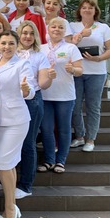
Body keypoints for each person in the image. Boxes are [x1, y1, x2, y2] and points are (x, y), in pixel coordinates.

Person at [0, 30, 35, 218]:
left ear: (16, 45)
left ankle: (11, 209)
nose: (7, 47)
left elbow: (29, 90)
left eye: (11, 43)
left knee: (4, 165)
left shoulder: (22, 64)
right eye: (3, 43)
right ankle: (9, 208)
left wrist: (26, 90)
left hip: (16, 120)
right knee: (8, 164)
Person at [70, 0, 110, 152]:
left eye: (90, 8)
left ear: (95, 11)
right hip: (76, 72)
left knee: (93, 107)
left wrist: (99, 58)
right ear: (79, 10)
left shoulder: (103, 27)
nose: (87, 10)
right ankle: (79, 136)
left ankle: (90, 139)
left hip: (96, 73)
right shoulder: (72, 26)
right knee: (75, 106)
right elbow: (67, 46)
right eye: (84, 7)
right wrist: (81, 35)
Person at [38, 17, 83, 173]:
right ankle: (49, 160)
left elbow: (80, 70)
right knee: (46, 129)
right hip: (45, 94)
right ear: (48, 29)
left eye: (60, 27)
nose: (56, 29)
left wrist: (73, 69)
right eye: (53, 27)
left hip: (65, 95)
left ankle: (61, 161)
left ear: (65, 31)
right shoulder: (41, 48)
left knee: (64, 129)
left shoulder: (71, 48)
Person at [14, 21, 53, 199]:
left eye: (31, 33)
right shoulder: (12, 52)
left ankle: (25, 185)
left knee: (27, 143)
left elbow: (43, 83)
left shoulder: (39, 56)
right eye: (24, 33)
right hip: (12, 100)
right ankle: (6, 178)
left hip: (32, 101)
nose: (27, 36)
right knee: (9, 142)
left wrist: (50, 78)